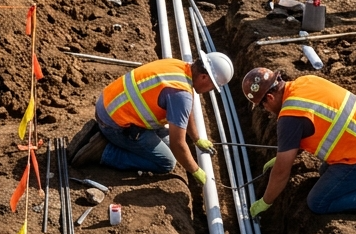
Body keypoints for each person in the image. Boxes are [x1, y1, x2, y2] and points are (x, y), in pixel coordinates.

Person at [241, 67, 356, 219]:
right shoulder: (305, 82)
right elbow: (312, 124)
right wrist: (280, 158)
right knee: (325, 172)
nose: (265, 110)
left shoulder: (289, 117)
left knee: (319, 202)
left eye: (262, 105)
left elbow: (282, 173)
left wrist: (265, 202)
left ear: (270, 97)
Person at [68, 53, 235, 186]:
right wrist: (195, 170)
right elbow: (179, 144)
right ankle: (104, 152)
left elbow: (184, 111)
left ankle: (109, 140)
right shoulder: (180, 94)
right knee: (167, 162)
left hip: (109, 105)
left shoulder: (178, 66)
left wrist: (197, 139)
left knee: (170, 145)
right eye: (213, 85)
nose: (210, 90)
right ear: (204, 77)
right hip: (115, 125)